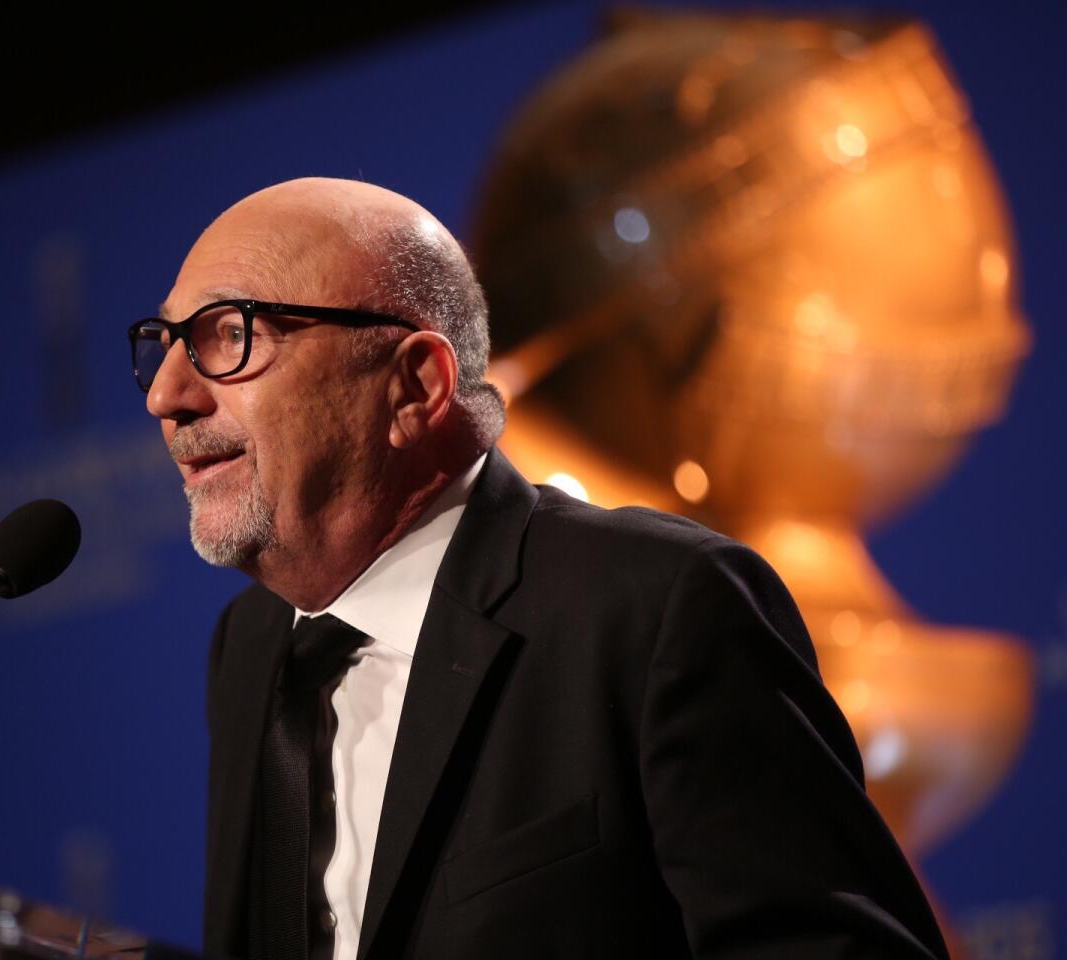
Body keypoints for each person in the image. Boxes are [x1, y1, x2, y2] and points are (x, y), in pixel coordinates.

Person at [132, 177, 948, 960]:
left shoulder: (658, 609)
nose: (166, 395)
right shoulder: (251, 649)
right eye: (165, 342)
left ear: (414, 386)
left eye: (229, 335)